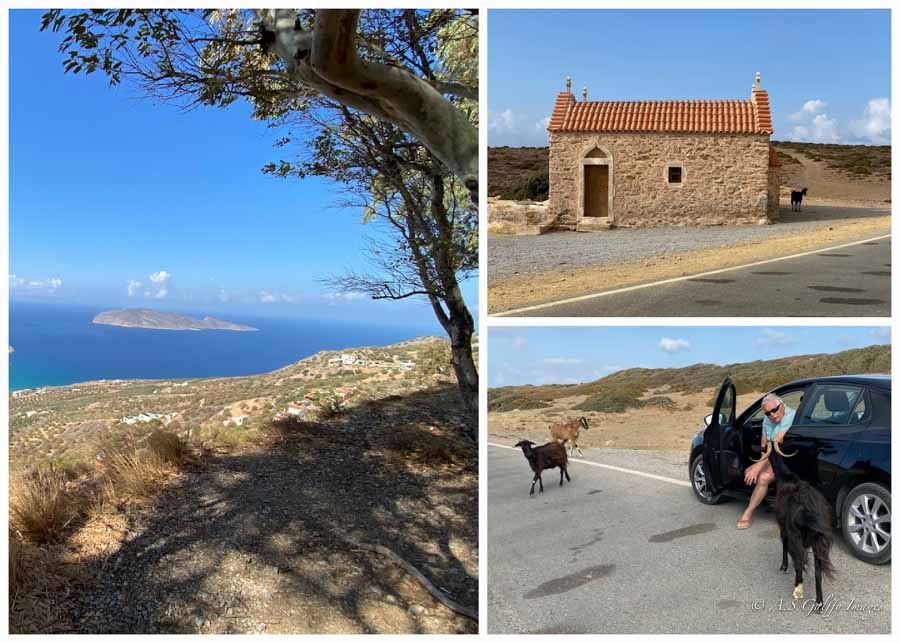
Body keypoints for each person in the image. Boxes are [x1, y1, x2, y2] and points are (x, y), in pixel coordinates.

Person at [736, 393, 796, 529]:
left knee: (762, 477)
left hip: (787, 458)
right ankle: (768, 499)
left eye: (774, 410)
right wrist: (761, 463)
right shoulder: (767, 419)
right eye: (768, 413)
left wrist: (759, 467)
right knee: (748, 472)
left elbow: (775, 442)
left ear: (782, 405)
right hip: (772, 456)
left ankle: (748, 513)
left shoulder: (790, 416)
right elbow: (765, 444)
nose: (772, 415)